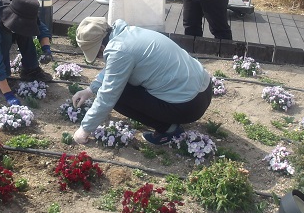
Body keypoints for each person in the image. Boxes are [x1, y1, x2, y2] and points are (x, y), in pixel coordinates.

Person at [71, 17, 212, 146]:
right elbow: (114, 69)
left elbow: (108, 96)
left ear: (101, 48)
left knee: (119, 96)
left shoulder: (119, 51)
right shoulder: (128, 33)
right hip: (204, 91)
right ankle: (169, 117)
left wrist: (84, 129)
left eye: (98, 55)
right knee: (123, 83)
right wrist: (90, 90)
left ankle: (168, 129)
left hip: (188, 106)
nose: (101, 59)